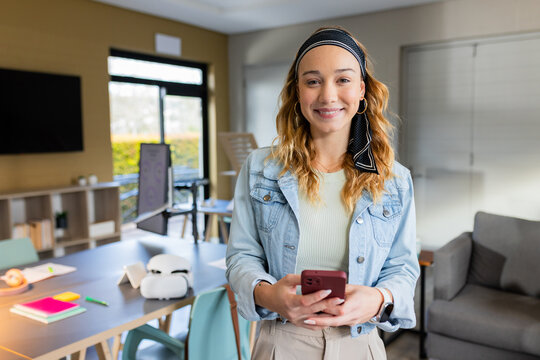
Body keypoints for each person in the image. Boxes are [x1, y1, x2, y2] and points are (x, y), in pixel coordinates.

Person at [226, 26, 419, 359]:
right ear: (297, 91)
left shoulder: (395, 180)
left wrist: (376, 299)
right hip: (280, 342)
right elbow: (240, 257)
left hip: (360, 342)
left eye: (342, 80)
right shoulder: (259, 169)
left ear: (361, 90)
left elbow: (403, 268)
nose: (328, 96)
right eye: (313, 81)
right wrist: (271, 296)